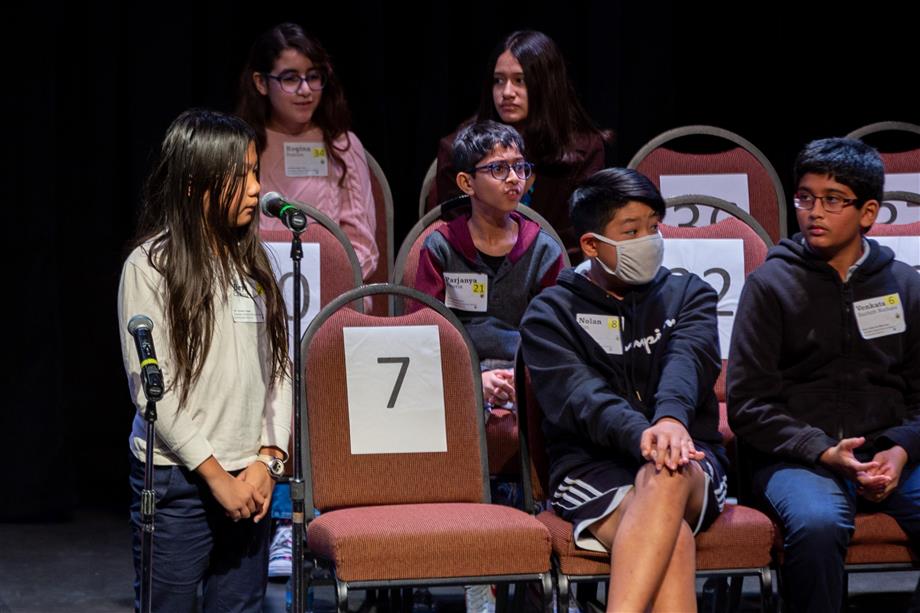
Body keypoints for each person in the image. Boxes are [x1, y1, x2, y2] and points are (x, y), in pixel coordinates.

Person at [520, 167, 728, 612]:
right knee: (673, 544)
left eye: (653, 227)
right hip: (591, 469)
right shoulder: (550, 314)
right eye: (631, 231)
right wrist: (644, 434)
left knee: (668, 473)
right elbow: (581, 397)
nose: (648, 240)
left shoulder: (690, 294)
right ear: (593, 246)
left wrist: (670, 420)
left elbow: (687, 362)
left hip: (691, 457)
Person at [727, 137, 920, 613]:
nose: (814, 211)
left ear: (868, 212)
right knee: (818, 524)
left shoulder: (905, 285)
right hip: (796, 457)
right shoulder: (771, 285)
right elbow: (748, 404)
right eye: (805, 198)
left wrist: (900, 450)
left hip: (887, 452)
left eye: (832, 200)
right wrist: (821, 449)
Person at [118, 108, 291, 612]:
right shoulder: (150, 267)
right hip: (180, 483)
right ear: (196, 185)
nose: (258, 189)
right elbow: (154, 389)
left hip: (252, 480)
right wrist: (216, 477)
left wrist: (268, 460)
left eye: (257, 172)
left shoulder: (256, 266)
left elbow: (279, 370)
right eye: (242, 177)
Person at [415, 120, 564, 422]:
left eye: (520, 167)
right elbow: (424, 335)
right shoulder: (440, 248)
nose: (514, 179)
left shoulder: (544, 251)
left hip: (528, 372)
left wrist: (520, 377)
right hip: (457, 373)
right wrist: (471, 381)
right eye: (498, 169)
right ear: (466, 183)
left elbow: (555, 336)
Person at [430, 30, 610, 255]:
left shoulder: (585, 149)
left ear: (547, 85)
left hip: (558, 275)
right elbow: (455, 233)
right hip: (479, 273)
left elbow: (582, 234)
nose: (506, 92)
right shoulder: (456, 149)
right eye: (498, 81)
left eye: (519, 81)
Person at [237, 22, 378, 279]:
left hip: (331, 295)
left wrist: (315, 284)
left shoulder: (342, 146)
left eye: (313, 77)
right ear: (261, 82)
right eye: (291, 78)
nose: (305, 90)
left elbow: (364, 248)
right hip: (256, 289)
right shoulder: (241, 147)